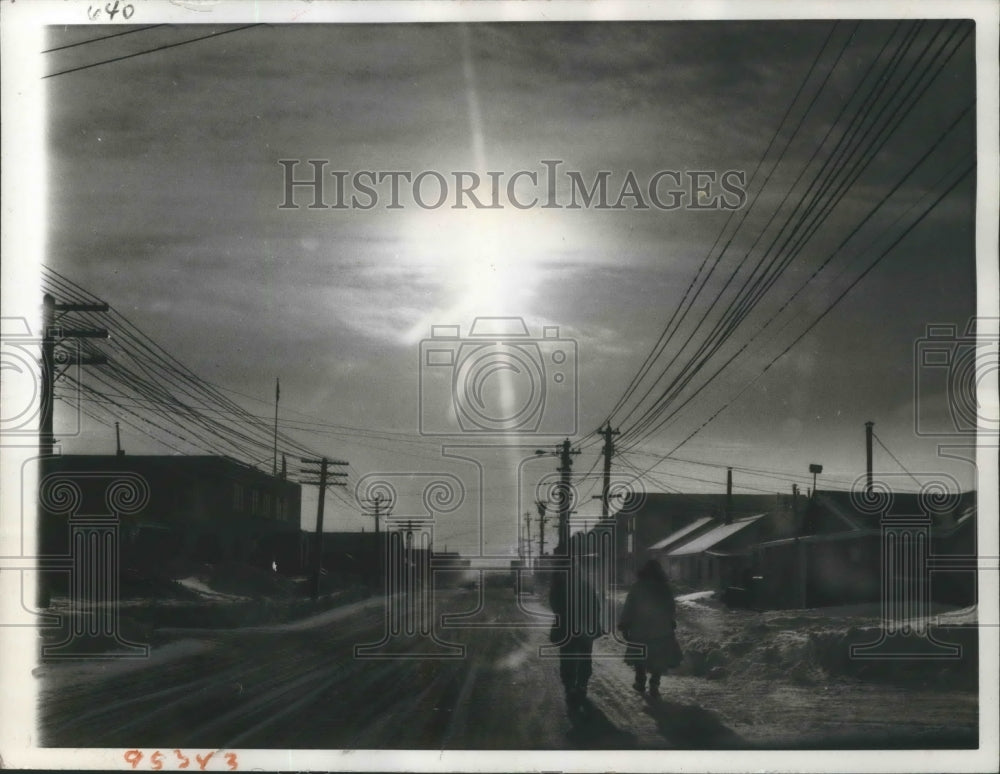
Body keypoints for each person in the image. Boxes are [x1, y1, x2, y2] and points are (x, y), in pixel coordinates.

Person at [549, 543, 604, 712]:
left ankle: (571, 686)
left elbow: (555, 604)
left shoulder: (559, 582)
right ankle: (581, 685)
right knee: (584, 656)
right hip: (585, 627)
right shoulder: (584, 581)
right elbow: (595, 604)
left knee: (568, 657)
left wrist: (562, 615)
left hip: (568, 627)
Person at [619, 559, 681, 696]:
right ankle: (654, 683)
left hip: (640, 629)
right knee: (658, 657)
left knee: (641, 656)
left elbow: (629, 607)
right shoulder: (664, 588)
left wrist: (624, 625)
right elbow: (670, 607)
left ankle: (640, 681)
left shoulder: (638, 587)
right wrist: (670, 621)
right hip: (661, 630)